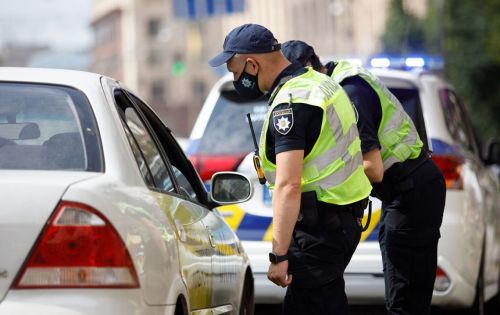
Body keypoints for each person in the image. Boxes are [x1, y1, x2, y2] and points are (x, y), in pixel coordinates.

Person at [209, 24, 372, 314]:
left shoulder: (292, 104)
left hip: (320, 227)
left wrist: (278, 254)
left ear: (252, 63)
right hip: (340, 219)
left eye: (235, 73)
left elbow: (288, 184)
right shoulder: (318, 83)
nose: (236, 79)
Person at [281, 40, 446, 315]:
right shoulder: (333, 88)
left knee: (404, 302)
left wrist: (321, 184)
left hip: (413, 192)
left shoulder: (348, 92)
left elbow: (373, 168)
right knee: (406, 296)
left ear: (310, 68)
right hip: (403, 193)